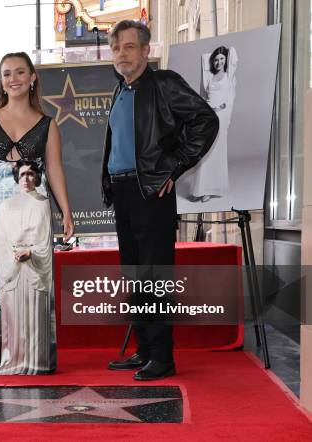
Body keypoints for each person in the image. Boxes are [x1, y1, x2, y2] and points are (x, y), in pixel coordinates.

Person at [103, 20, 218, 380]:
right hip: (123, 191)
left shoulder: (163, 83)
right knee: (136, 276)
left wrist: (174, 167)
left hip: (151, 191)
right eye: (117, 47)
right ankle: (145, 350)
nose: (122, 53)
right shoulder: (120, 90)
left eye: (130, 46)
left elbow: (205, 119)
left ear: (146, 51)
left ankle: (163, 358)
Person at [0, 51, 74, 375]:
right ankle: (1, 344)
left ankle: (36, 352)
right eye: (7, 74)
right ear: (2, 81)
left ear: (32, 77)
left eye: (20, 72)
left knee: (35, 272)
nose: (13, 79)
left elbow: (55, 169)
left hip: (34, 206)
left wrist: (66, 211)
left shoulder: (48, 124)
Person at [0, 160, 53, 374]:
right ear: (16, 178)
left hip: (34, 270)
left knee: (36, 319)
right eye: (22, 175)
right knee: (14, 320)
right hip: (13, 269)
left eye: (30, 174)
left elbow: (46, 240)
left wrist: (31, 252)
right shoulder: (6, 206)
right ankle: (13, 361)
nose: (26, 179)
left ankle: (37, 363)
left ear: (37, 177)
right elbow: (1, 240)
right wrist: (13, 255)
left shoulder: (44, 203)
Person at [189, 46, 238, 202]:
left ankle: (211, 189)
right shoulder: (209, 77)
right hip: (208, 115)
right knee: (205, 150)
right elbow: (203, 98)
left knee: (216, 151)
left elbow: (230, 100)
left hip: (221, 116)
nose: (219, 62)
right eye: (216, 59)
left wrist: (224, 116)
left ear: (226, 60)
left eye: (222, 59)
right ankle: (201, 188)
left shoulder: (230, 77)